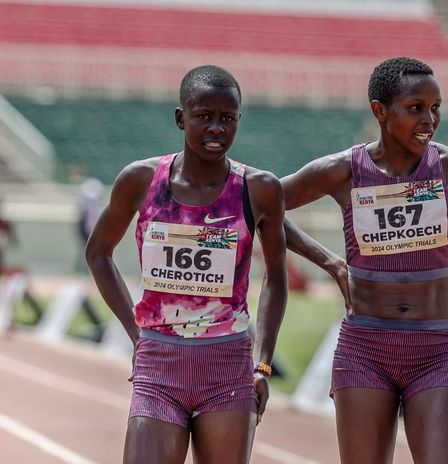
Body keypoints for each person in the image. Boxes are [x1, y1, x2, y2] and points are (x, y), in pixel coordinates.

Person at [281, 57, 448, 463]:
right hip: (364, 347)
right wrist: (330, 262)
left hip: (436, 347)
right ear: (380, 111)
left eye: (436, 107)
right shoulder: (344, 171)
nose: (429, 119)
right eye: (416, 108)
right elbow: (259, 207)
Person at [85, 65, 287, 464]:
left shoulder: (259, 189)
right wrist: (134, 331)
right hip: (158, 362)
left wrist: (263, 364)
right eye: (204, 116)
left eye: (227, 118)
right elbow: (98, 253)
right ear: (181, 118)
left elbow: (277, 279)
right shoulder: (141, 180)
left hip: (228, 366)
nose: (216, 128)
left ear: (239, 121)